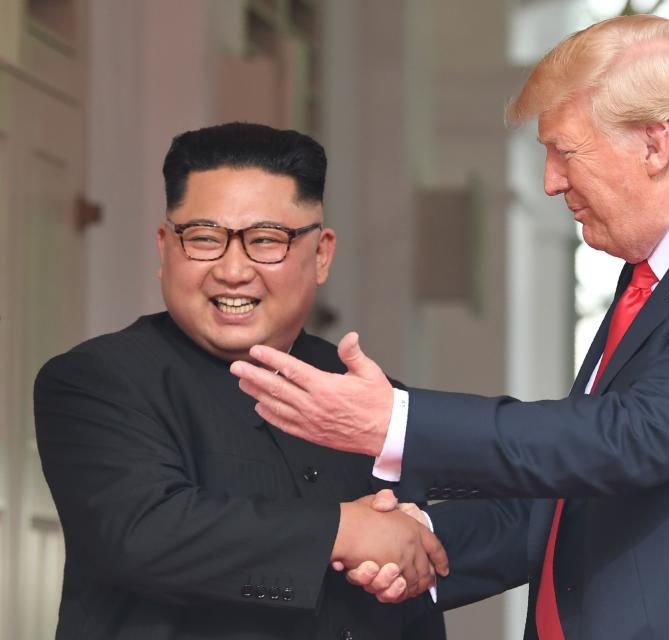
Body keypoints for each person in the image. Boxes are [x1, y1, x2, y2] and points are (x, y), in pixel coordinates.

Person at [231, 14, 669, 639]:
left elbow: (630, 441)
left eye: (564, 151)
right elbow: (582, 491)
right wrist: (421, 542)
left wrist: (395, 422)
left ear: (655, 145)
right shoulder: (664, 272)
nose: (550, 181)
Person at [33, 122, 447, 640]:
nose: (232, 270)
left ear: (320, 255)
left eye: (265, 241)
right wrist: (345, 530)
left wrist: (393, 547)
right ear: (165, 249)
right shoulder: (97, 381)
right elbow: (145, 534)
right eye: (204, 239)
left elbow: (410, 569)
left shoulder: (369, 394)